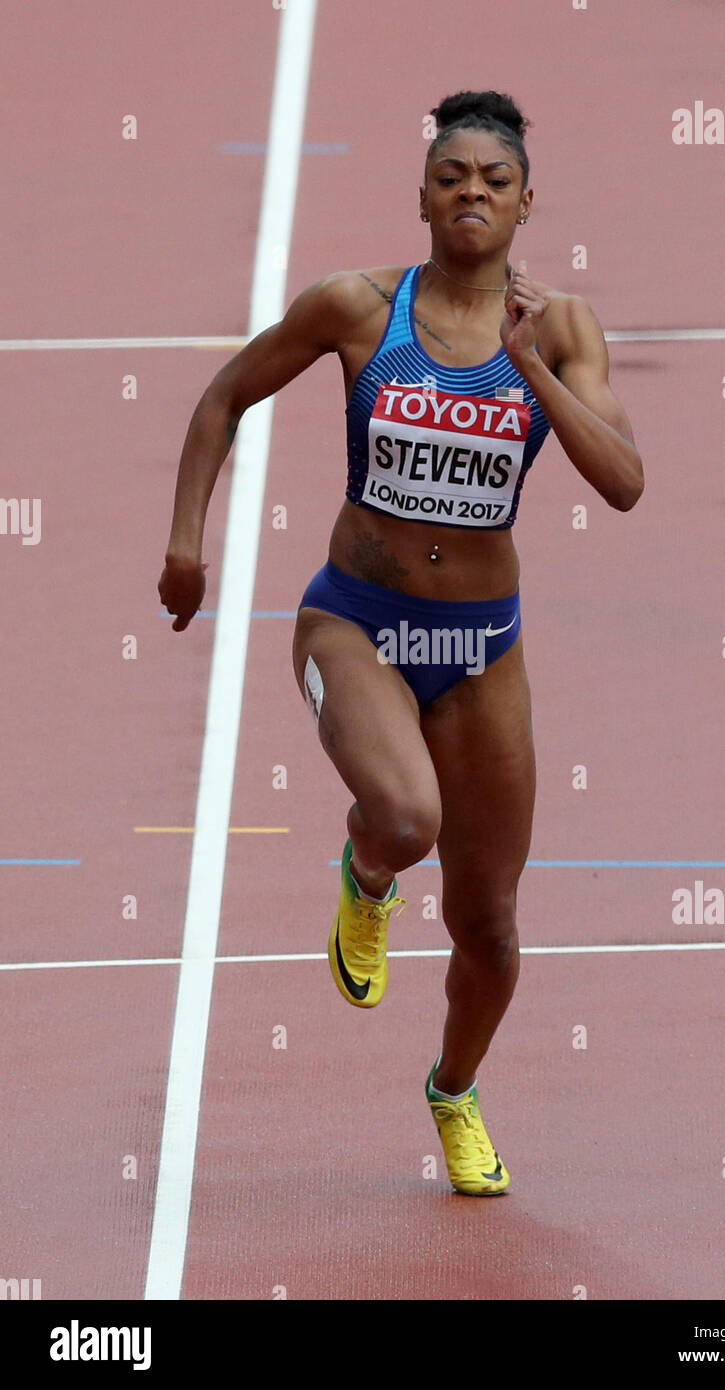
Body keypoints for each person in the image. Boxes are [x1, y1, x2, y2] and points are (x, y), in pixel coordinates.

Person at [159, 89, 644, 1196]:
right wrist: (187, 544)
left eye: (495, 180)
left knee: (488, 923)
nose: (472, 191)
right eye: (451, 175)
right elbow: (225, 397)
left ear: (527, 202)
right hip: (355, 621)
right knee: (408, 815)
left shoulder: (561, 329)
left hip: (483, 648)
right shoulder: (355, 306)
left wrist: (527, 369)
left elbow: (621, 483)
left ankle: (453, 1089)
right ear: (421, 194)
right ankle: (367, 870)